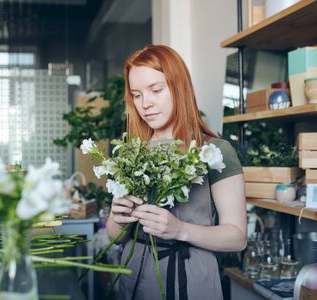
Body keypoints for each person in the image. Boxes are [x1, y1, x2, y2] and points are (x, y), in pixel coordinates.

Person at [106, 44, 247, 300]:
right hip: (135, 277)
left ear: (179, 87)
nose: (145, 104)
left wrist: (181, 229)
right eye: (136, 95)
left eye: (156, 90)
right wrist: (118, 217)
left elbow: (237, 238)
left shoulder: (214, 151)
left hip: (191, 281)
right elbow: (116, 237)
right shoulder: (131, 152)